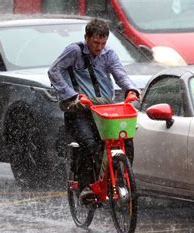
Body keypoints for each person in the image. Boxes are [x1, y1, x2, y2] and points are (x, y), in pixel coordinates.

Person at [48, 18, 140, 203]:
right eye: (95, 43)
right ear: (86, 38)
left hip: (103, 110)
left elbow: (120, 73)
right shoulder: (74, 51)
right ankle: (86, 189)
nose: (99, 47)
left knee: (125, 142)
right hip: (79, 110)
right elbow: (54, 71)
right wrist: (72, 95)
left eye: (103, 43)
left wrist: (131, 89)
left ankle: (119, 177)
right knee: (89, 146)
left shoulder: (109, 54)